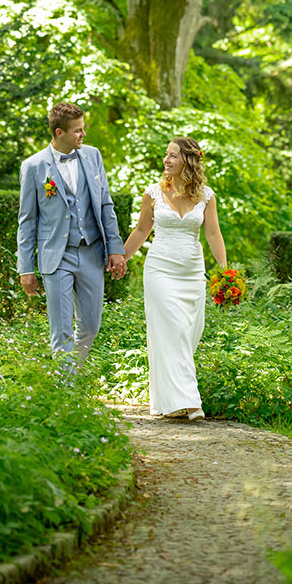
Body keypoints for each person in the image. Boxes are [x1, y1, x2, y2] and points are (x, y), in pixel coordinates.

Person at [122, 136, 227, 421]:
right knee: (174, 331)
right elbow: (142, 231)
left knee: (187, 334)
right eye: (166, 155)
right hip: (160, 271)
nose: (166, 160)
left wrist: (224, 269)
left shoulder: (206, 196)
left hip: (192, 274)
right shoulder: (153, 193)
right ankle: (192, 402)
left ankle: (170, 401)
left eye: (173, 156)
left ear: (188, 161)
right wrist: (121, 257)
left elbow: (213, 234)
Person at [17, 103, 127, 374]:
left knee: (90, 326)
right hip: (57, 256)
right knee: (62, 330)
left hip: (91, 251)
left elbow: (105, 205)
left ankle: (68, 374)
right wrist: (25, 268)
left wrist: (116, 249)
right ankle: (64, 392)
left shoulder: (93, 156)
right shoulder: (33, 167)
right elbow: (27, 220)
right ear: (59, 132)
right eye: (77, 131)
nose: (83, 135)